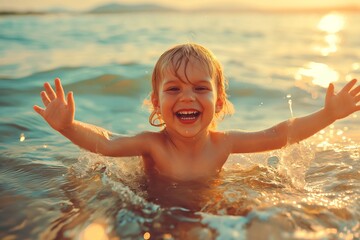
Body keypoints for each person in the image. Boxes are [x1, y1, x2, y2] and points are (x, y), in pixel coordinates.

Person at [34, 43, 360, 181]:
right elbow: (106, 142)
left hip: (208, 205)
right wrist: (68, 126)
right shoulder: (153, 145)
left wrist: (328, 115)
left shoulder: (224, 143)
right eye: (173, 89)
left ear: (218, 103)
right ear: (156, 103)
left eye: (201, 88)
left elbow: (278, 135)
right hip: (155, 208)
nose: (187, 97)